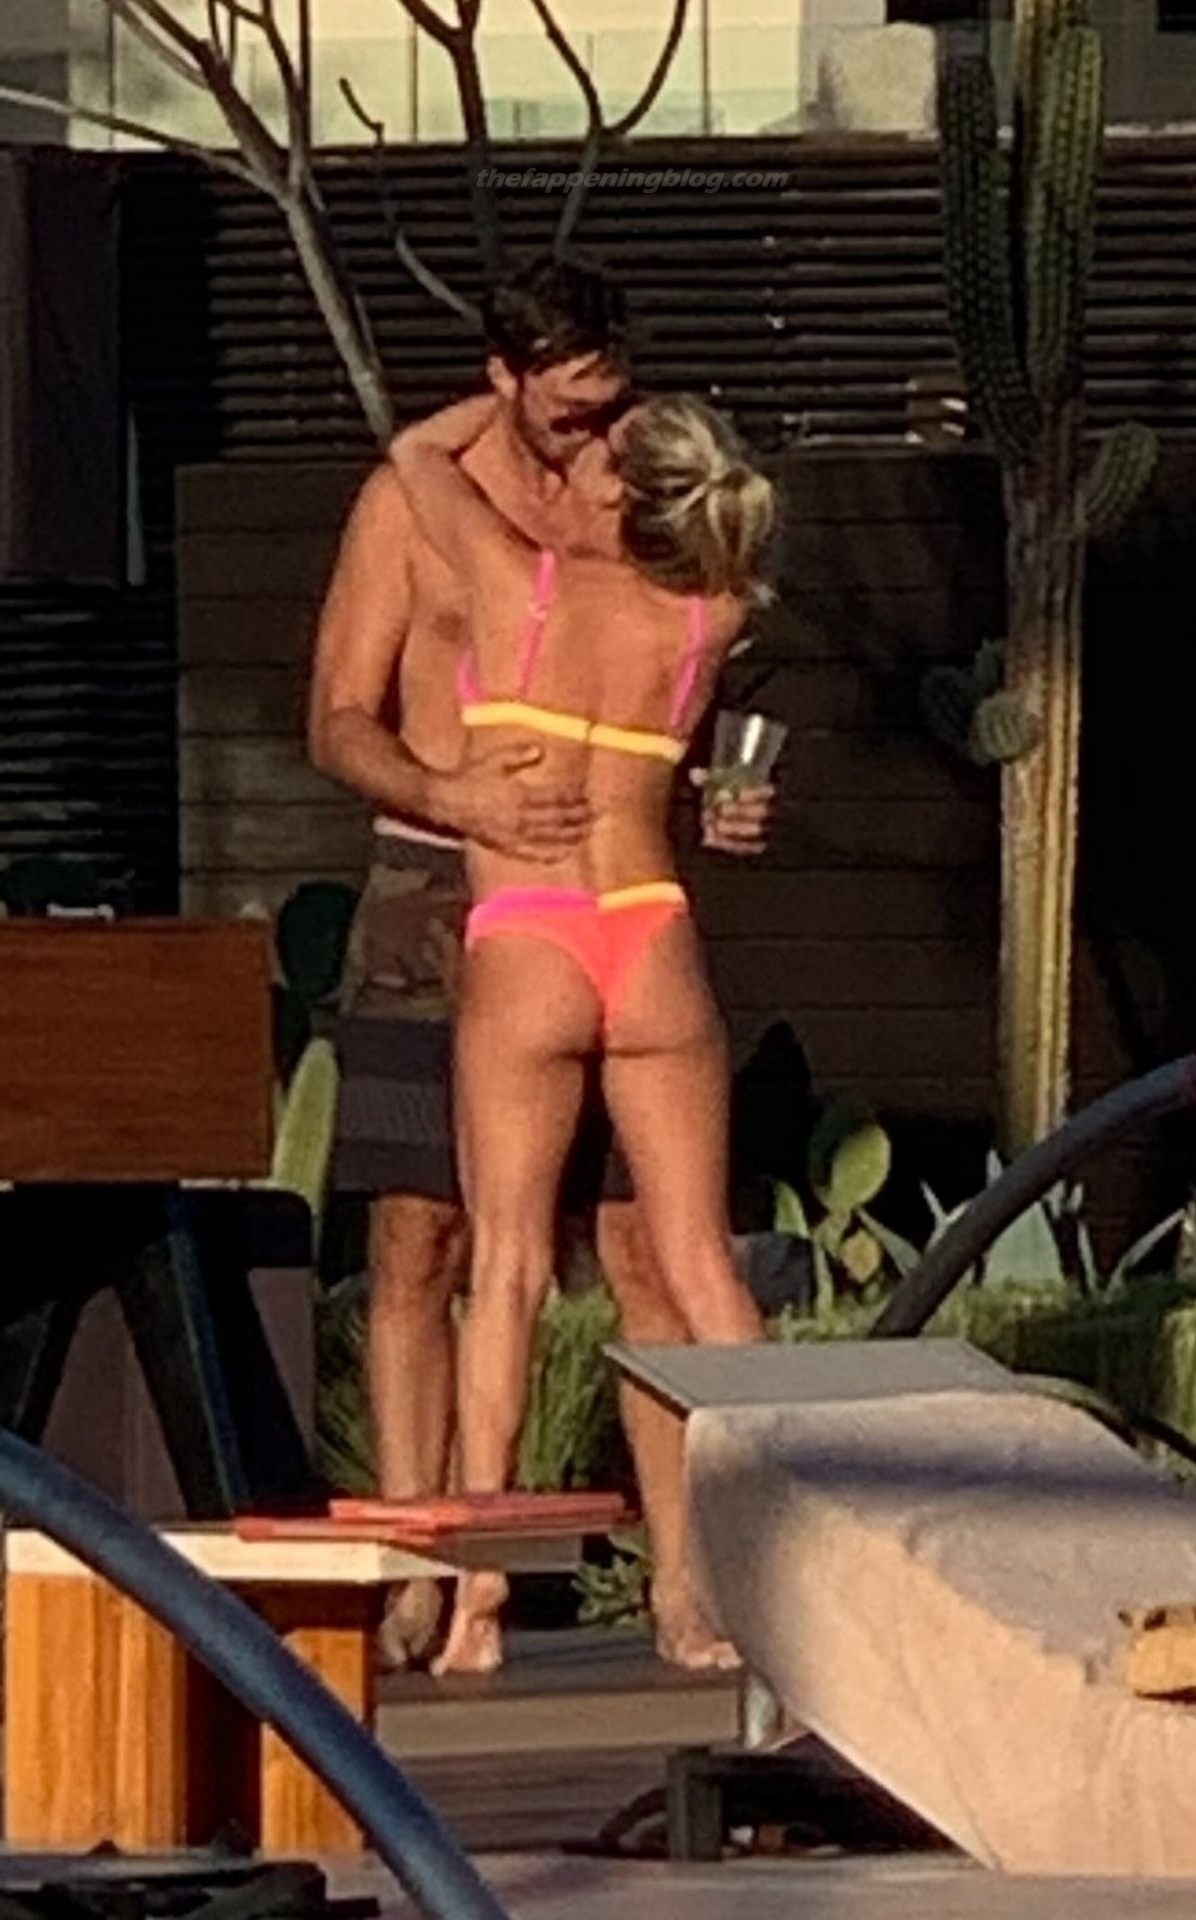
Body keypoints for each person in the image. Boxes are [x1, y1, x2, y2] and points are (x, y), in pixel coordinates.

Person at [308, 255, 774, 1673]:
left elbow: (727, 737)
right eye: (568, 405)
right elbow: (337, 717)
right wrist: (453, 796)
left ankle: (673, 1584)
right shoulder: (684, 583)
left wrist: (734, 794)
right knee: (424, 1239)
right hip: (481, 886)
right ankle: (432, 1577)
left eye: (613, 408)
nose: (592, 431)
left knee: (614, 1257)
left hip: (550, 924)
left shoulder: (546, 565)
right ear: (504, 379)